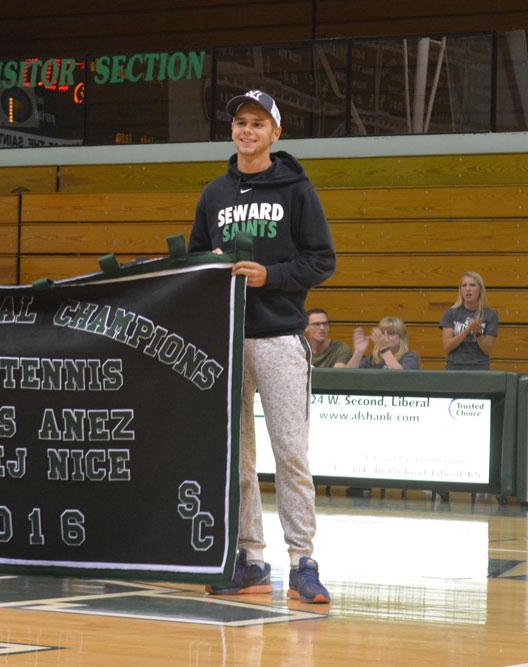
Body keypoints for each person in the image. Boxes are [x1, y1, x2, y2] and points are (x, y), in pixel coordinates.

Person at [188, 90, 335, 604]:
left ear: (276, 133)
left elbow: (322, 261)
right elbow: (194, 267)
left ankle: (303, 561)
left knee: (291, 453)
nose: (246, 131)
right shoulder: (213, 194)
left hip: (278, 337)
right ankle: (250, 558)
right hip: (227, 342)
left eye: (257, 123)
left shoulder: (297, 189)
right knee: (239, 459)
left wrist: (269, 275)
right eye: (239, 123)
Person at [440, 272, 498, 370]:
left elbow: (487, 350)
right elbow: (447, 347)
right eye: (464, 285)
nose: (467, 289)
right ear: (460, 290)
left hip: (479, 368)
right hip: (454, 368)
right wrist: (466, 331)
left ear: (480, 290)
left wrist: (478, 333)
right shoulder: (450, 313)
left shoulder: (490, 315)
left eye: (472, 285)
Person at [345, 316, 420, 370]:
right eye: (382, 333)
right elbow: (347, 378)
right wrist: (358, 352)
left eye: (391, 333)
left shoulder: (410, 357)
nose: (385, 338)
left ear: (401, 338)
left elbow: (401, 378)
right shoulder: (372, 359)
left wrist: (384, 349)